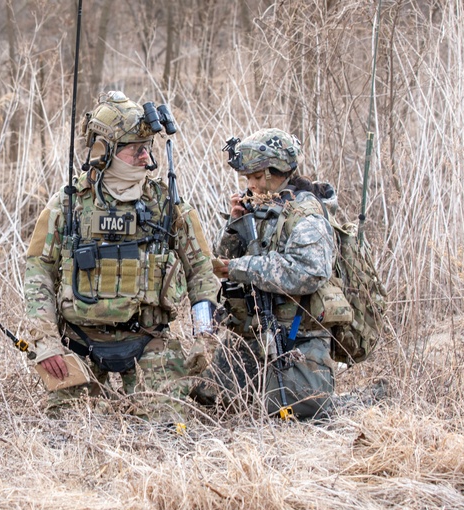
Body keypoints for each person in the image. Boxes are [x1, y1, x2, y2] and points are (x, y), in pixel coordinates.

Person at [22, 91, 220, 422]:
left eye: (147, 148)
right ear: (104, 151)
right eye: (135, 150)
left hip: (148, 340)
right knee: (71, 433)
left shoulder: (167, 206)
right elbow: (38, 270)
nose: (145, 157)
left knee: (166, 432)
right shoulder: (68, 205)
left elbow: (201, 271)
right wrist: (46, 343)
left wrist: (204, 336)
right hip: (80, 343)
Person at [189, 128, 337, 420]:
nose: (251, 185)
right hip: (251, 333)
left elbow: (308, 272)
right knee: (209, 399)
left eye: (257, 177)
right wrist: (236, 224)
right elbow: (224, 264)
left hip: (295, 336)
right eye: (248, 179)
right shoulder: (260, 207)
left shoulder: (306, 214)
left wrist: (240, 268)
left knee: (289, 410)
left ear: (277, 172)